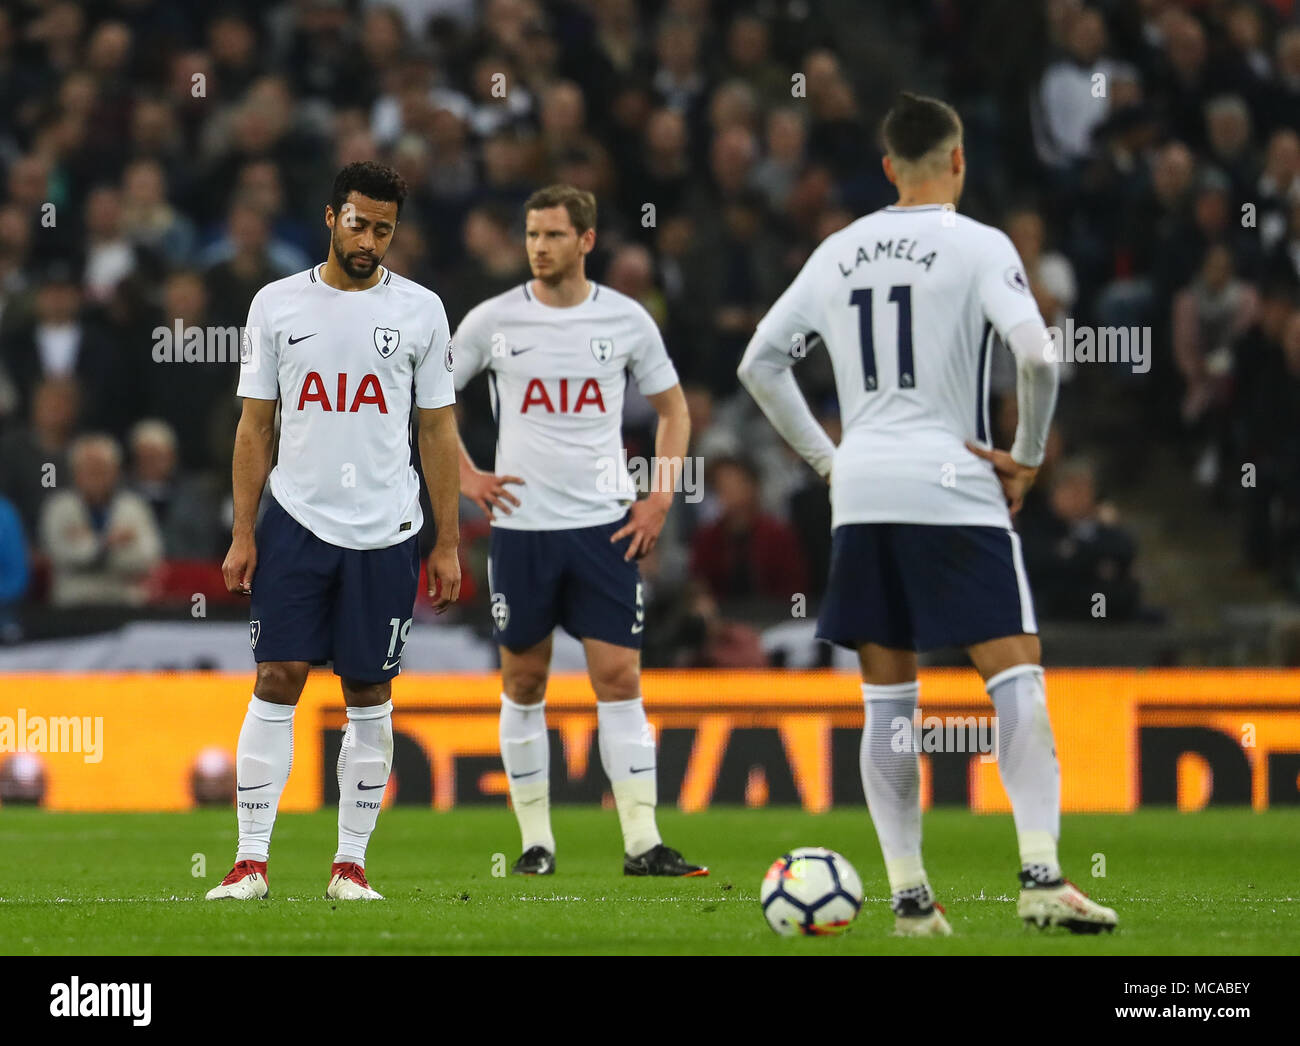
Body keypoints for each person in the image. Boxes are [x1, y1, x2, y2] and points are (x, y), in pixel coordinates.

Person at [738, 92, 1118, 936]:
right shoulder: (982, 245)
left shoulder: (837, 250)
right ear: (957, 161)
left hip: (865, 491)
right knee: (1013, 673)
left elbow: (759, 362)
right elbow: (1037, 356)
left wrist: (829, 460)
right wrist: (1030, 454)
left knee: (889, 702)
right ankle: (1043, 877)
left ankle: (911, 899)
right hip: (955, 487)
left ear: (885, 168)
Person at [206, 161, 462, 902]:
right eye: (359, 222)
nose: (370, 239)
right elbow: (255, 427)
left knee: (368, 690)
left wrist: (446, 540)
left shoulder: (421, 310)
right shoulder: (276, 305)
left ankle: (349, 866)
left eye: (384, 228)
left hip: (387, 529)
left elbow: (438, 430)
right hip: (296, 521)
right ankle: (250, 862)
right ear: (329, 217)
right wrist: (243, 532)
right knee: (277, 677)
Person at [452, 185, 704, 878]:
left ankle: (642, 843)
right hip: (524, 530)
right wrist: (467, 478)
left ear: (587, 241)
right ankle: (537, 843)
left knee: (619, 677)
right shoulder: (493, 320)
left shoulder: (625, 320)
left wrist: (659, 499)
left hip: (603, 528)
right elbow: (428, 399)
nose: (539, 247)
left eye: (555, 235)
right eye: (532, 234)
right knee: (525, 680)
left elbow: (674, 413)